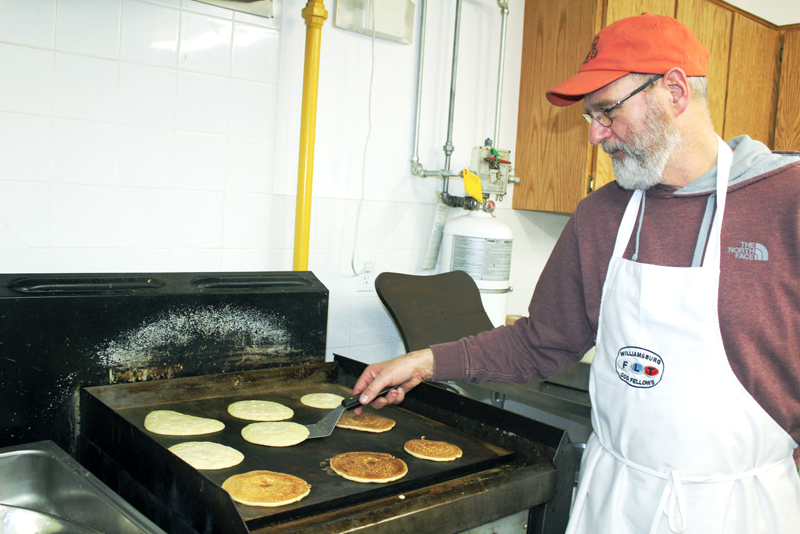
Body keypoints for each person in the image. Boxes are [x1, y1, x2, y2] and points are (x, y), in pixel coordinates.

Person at [353, 13, 800, 534]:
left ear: (674, 90)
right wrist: (426, 361)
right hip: (615, 502)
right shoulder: (601, 215)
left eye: (606, 111)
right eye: (591, 116)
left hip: (740, 509)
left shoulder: (784, 203)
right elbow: (542, 342)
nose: (594, 135)